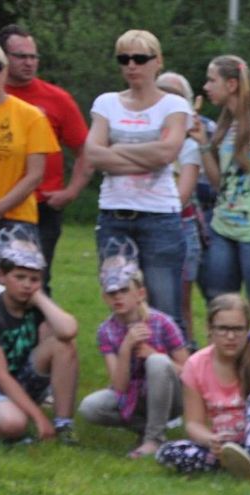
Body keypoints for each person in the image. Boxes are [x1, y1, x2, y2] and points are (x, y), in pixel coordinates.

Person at [85, 29, 190, 328]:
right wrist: (146, 153)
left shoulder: (173, 105)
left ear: (158, 62)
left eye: (140, 58)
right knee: (122, 302)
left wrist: (116, 149)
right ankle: (128, 372)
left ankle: (169, 373)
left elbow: (166, 154)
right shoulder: (106, 103)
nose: (132, 65)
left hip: (159, 217)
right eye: (124, 59)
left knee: (165, 306)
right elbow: (93, 154)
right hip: (114, 214)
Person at [157, 292, 250, 479]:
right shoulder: (195, 365)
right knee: (167, 452)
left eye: (238, 329)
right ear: (210, 328)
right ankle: (238, 464)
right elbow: (193, 423)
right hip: (225, 445)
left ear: (248, 330)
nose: (231, 336)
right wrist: (210, 439)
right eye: (223, 329)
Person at [200, 55, 250, 366]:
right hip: (224, 229)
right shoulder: (227, 124)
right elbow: (219, 183)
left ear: (231, 84)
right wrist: (202, 145)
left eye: (212, 80)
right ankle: (227, 376)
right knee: (221, 306)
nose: (206, 87)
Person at [0, 24, 91, 290]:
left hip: (41, 206)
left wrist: (71, 191)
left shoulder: (56, 99)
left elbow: (85, 149)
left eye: (33, 57)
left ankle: (39, 331)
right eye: (21, 56)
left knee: (34, 282)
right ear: (2, 57)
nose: (29, 63)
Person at [78, 248, 189, 457]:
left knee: (156, 362)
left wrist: (156, 356)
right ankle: (146, 428)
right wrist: (126, 347)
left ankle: (154, 439)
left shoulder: (162, 323)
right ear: (104, 297)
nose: (118, 297)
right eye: (112, 293)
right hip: (132, 396)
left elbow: (190, 372)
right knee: (89, 407)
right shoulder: (106, 331)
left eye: (124, 290)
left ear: (140, 294)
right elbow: (119, 386)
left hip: (171, 396)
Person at [0, 227, 78, 443]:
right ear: (1, 276)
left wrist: (40, 299)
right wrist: (38, 418)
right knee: (13, 425)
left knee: (64, 344)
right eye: (20, 277)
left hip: (20, 376)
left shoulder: (35, 304)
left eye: (34, 279)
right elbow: (0, 375)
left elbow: (69, 330)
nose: (27, 285)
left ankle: (64, 424)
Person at [0, 36, 55, 275]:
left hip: (16, 217)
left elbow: (35, 175)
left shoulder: (30, 116)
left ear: (4, 71)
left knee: (15, 295)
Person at [156, 71, 206, 345]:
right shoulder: (144, 136)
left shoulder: (189, 144)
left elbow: (181, 196)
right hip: (148, 225)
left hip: (180, 227)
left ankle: (185, 356)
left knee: (179, 301)